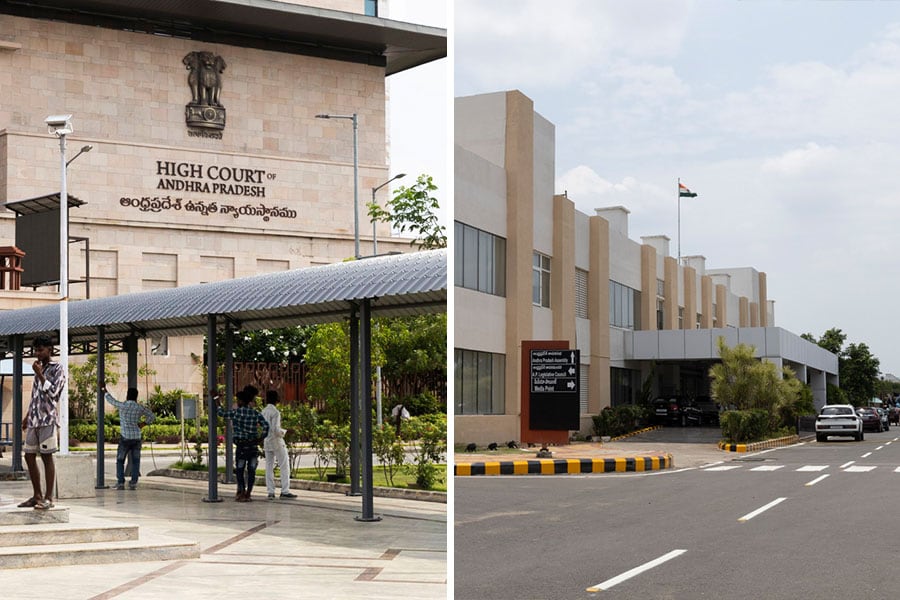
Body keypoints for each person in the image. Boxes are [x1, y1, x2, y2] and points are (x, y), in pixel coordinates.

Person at [18, 335, 66, 510]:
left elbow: (54, 393)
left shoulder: (57, 369)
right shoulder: (39, 368)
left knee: (47, 457)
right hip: (34, 420)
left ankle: (49, 498)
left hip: (48, 420)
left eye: (40, 350)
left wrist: (40, 375)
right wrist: (27, 416)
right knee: (29, 455)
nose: (37, 353)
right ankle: (36, 495)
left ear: (49, 350)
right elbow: (35, 397)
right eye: (35, 350)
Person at [216, 385, 269, 502]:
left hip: (241, 446)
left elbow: (221, 413)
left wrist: (216, 399)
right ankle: (248, 493)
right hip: (253, 446)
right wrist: (260, 438)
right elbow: (266, 426)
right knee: (251, 470)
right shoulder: (256, 414)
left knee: (240, 469)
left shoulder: (236, 413)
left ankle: (241, 491)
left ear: (240, 401)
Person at [102, 385, 155, 490]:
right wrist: (143, 424)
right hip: (136, 437)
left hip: (125, 437)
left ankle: (121, 483)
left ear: (127, 395)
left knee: (120, 460)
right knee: (136, 461)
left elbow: (111, 400)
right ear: (136, 397)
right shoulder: (140, 407)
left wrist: (104, 390)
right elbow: (152, 416)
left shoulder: (123, 406)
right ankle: (133, 483)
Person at [261, 390, 296, 499]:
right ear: (276, 399)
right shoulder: (275, 412)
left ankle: (270, 491)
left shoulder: (263, 411)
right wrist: (286, 431)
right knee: (284, 465)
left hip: (267, 441)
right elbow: (276, 429)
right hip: (276, 441)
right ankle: (285, 491)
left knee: (269, 466)